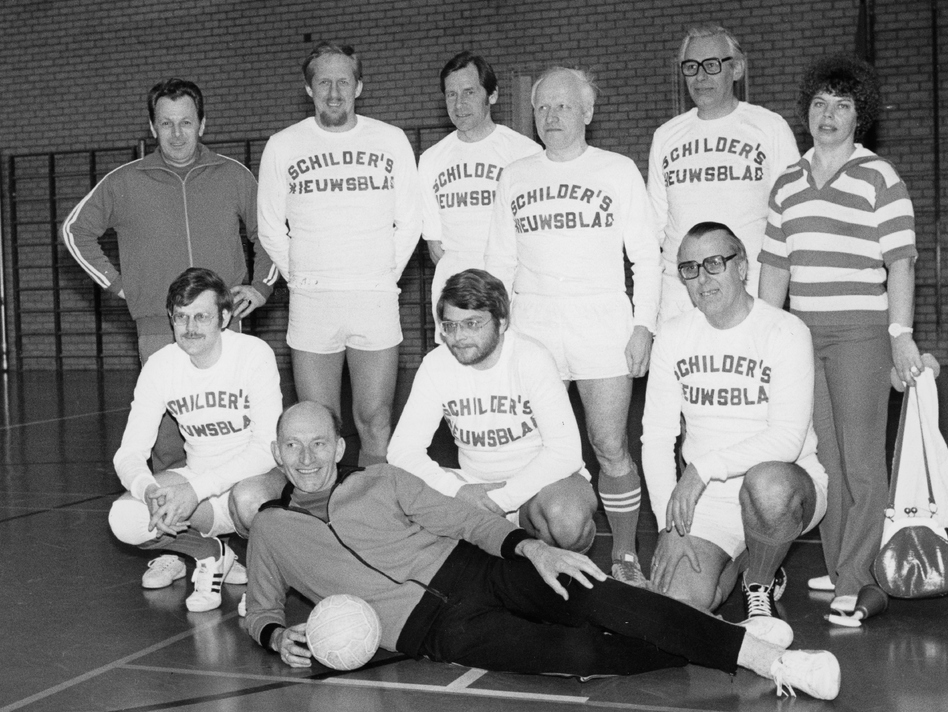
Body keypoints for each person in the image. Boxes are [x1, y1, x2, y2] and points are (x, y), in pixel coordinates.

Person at [242, 401, 841, 700]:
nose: (306, 458)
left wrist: (533, 550)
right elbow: (261, 610)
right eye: (292, 446)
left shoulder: (381, 480)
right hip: (431, 631)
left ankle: (772, 661)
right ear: (276, 453)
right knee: (580, 653)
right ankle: (707, 636)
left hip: (477, 571)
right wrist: (274, 637)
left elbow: (463, 520)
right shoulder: (270, 530)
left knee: (603, 599)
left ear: (338, 445)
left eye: (317, 443)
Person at [758, 55, 924, 617]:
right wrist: (761, 337)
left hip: (861, 335)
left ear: (860, 115)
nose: (828, 114)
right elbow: (775, 265)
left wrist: (899, 335)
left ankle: (857, 576)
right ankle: (838, 569)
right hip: (803, 336)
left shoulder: (879, 176)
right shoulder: (787, 182)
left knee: (861, 462)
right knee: (824, 461)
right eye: (819, 103)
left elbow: (901, 261)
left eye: (842, 105)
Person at [485, 67, 662, 586]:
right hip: (532, 323)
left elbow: (647, 258)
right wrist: (497, 334)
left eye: (563, 106)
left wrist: (643, 325)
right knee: (529, 446)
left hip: (600, 320)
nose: (552, 116)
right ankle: (528, 550)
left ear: (587, 111)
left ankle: (625, 555)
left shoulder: (617, 170)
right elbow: (499, 264)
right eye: (542, 107)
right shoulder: (515, 175)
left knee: (609, 445)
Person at [62, 77, 278, 469]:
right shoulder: (124, 181)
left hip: (224, 325)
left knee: (232, 433)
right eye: (166, 123)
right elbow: (74, 231)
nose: (176, 134)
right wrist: (121, 285)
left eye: (185, 122)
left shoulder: (234, 175)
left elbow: (269, 233)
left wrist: (262, 286)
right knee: (166, 440)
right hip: (158, 328)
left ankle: (232, 503)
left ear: (202, 124)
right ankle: (176, 506)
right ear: (152, 127)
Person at [641, 223, 828, 630]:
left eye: (714, 263)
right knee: (678, 606)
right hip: (707, 501)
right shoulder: (673, 336)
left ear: (742, 266)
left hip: (784, 486)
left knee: (767, 485)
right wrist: (668, 525)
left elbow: (787, 439)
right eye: (690, 268)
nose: (702, 278)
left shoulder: (784, 330)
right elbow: (656, 437)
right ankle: (746, 558)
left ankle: (759, 581)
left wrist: (701, 469)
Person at [257, 42, 421, 465]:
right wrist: (300, 277)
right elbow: (270, 227)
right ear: (308, 89)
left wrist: (384, 274)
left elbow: (411, 221)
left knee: (375, 420)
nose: (334, 93)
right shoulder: (282, 145)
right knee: (317, 427)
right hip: (312, 302)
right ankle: (323, 506)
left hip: (374, 298)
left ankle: (374, 504)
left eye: (343, 82)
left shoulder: (390, 139)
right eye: (324, 83)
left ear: (359, 86)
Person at [108, 268, 284, 612]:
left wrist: (195, 490)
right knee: (125, 517)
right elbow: (129, 453)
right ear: (171, 318)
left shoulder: (253, 353)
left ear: (224, 317)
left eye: (201, 316)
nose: (190, 328)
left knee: (249, 499)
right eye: (181, 317)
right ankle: (210, 553)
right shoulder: (160, 366)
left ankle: (267, 587)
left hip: (257, 482)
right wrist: (148, 490)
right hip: (201, 488)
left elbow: (267, 448)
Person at [387, 269, 596, 552]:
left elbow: (565, 452)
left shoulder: (531, 359)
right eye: (450, 325)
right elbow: (402, 451)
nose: (458, 336)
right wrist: (457, 490)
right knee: (393, 497)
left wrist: (501, 500)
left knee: (567, 520)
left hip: (536, 487)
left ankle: (569, 569)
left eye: (472, 324)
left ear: (501, 322)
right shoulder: (436, 365)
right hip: (471, 487)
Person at [647, 25, 799, 328]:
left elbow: (791, 220)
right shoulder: (666, 136)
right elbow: (655, 228)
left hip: (751, 293)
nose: (700, 76)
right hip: (681, 300)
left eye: (712, 65)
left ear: (737, 69)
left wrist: (771, 304)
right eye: (691, 67)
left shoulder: (770, 128)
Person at [418, 52, 540, 340]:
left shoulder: (525, 153)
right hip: (455, 295)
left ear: (492, 95)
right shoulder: (431, 159)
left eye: (469, 92)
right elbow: (436, 248)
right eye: (451, 94)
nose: (459, 104)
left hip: (512, 293)